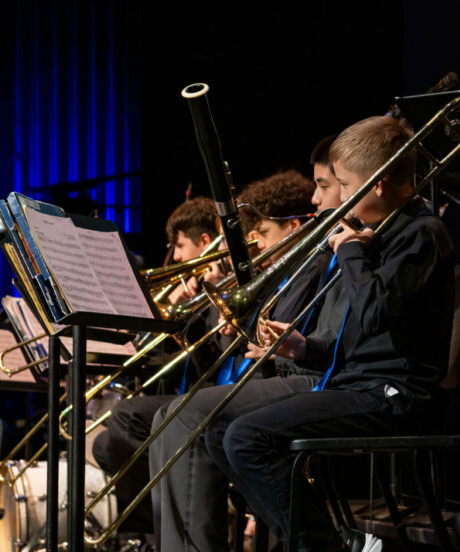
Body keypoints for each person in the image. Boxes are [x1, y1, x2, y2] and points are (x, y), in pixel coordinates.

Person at [213, 115, 456, 551]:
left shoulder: (421, 234)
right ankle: (322, 541)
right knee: (217, 430)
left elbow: (375, 314)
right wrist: (304, 347)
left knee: (246, 437)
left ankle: (324, 546)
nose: (339, 197)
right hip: (358, 385)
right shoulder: (377, 235)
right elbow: (365, 341)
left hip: (395, 396)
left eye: (344, 184)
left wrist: (350, 253)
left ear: (377, 185)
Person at [148, 153, 347, 552]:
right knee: (162, 418)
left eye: (262, 233)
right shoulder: (291, 268)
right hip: (276, 375)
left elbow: (283, 342)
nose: (316, 199)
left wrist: (247, 320)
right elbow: (236, 351)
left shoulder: (318, 261)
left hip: (307, 379)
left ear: (292, 228)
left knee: (187, 417)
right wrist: (215, 317)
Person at [91, 195, 224, 537]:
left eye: (179, 246)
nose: (176, 257)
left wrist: (197, 312)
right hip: (191, 392)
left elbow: (217, 363)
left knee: (127, 421)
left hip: (218, 393)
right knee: (105, 446)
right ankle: (153, 531)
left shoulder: (222, 283)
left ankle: (165, 528)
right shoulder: (194, 287)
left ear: (204, 242)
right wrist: (176, 318)